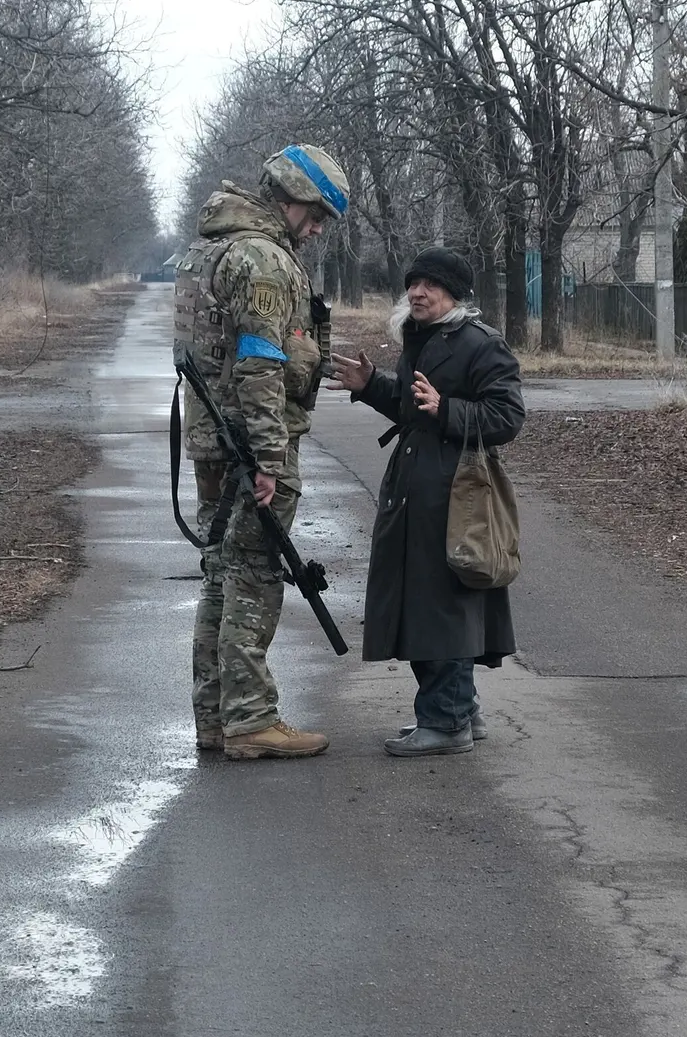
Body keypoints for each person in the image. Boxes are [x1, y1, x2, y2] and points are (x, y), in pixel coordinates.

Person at [174, 144, 350, 760]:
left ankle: (217, 718)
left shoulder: (211, 247)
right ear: (291, 198)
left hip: (213, 438)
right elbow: (260, 363)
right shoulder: (265, 260)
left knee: (221, 576)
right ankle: (251, 721)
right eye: (318, 212)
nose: (320, 227)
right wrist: (271, 460)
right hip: (250, 445)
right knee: (253, 576)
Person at [330, 247, 525, 755]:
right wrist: (371, 385)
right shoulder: (422, 337)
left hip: (456, 495)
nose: (417, 292)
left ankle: (447, 721)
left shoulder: (482, 345)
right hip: (414, 489)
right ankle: (459, 711)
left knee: (443, 607)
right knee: (423, 604)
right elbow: (410, 405)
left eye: (430, 285)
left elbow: (507, 418)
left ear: (454, 294)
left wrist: (448, 410)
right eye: (413, 284)